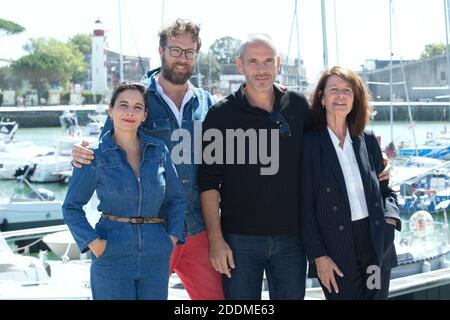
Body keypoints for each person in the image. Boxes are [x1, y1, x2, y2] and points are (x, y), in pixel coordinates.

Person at [71, 19, 224, 300]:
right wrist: (80, 152)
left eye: (189, 52)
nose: (182, 58)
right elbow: (107, 147)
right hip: (150, 233)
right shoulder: (137, 97)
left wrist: (275, 96)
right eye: (175, 50)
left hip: (197, 229)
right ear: (161, 51)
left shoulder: (206, 102)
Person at [198, 34, 312, 300]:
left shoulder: (297, 106)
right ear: (240, 65)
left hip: (292, 239)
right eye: (253, 61)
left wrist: (378, 158)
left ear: (278, 63)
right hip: (238, 240)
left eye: (268, 61)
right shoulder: (221, 115)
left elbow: (324, 150)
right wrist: (216, 240)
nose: (261, 69)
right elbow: (208, 181)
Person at [63, 82, 185, 299]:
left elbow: (176, 199)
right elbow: (71, 207)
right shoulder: (94, 156)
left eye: (138, 107)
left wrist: (172, 238)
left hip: (155, 252)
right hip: (111, 252)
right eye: (123, 105)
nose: (130, 112)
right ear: (110, 111)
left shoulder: (159, 150)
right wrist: (94, 244)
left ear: (144, 115)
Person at [300, 66, 401, 300]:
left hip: (376, 246)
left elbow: (386, 189)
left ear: (355, 100)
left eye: (347, 90)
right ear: (322, 98)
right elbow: (304, 206)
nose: (341, 95)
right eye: (334, 89)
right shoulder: (309, 145)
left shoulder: (367, 140)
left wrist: (390, 220)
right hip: (335, 249)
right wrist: (318, 256)